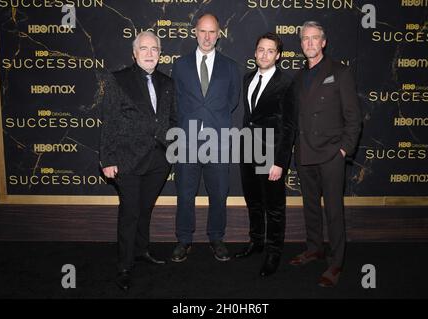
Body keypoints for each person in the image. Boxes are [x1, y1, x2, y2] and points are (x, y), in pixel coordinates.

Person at [282, 21, 362, 287]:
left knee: (334, 211)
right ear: (301, 43)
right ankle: (314, 248)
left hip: (330, 154)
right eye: (305, 39)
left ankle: (336, 263)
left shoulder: (340, 72)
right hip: (304, 153)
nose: (310, 43)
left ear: (323, 42)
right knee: (311, 207)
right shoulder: (298, 77)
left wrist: (343, 150)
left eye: (315, 38)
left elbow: (353, 118)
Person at [99, 31, 176, 291]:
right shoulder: (118, 80)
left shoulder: (167, 82)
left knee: (145, 209)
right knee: (130, 213)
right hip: (127, 160)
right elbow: (109, 121)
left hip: (159, 160)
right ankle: (124, 265)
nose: (149, 53)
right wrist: (108, 158)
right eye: (144, 48)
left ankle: (142, 251)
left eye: (154, 49)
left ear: (160, 53)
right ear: (134, 53)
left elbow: (171, 120)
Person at [171, 13, 241, 262]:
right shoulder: (180, 65)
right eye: (203, 31)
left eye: (212, 32)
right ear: (195, 33)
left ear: (219, 34)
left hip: (218, 140)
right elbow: (176, 100)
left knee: (219, 193)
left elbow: (232, 100)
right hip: (187, 140)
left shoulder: (230, 66)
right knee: (185, 193)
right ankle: (183, 239)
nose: (207, 37)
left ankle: (216, 238)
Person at [234, 32, 292, 277]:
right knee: (253, 202)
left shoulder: (286, 83)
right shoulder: (248, 78)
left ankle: (273, 252)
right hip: (248, 148)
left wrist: (279, 162)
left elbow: (288, 126)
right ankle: (256, 242)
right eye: (261, 49)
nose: (264, 54)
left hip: (271, 153)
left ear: (278, 56)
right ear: (255, 52)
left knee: (274, 207)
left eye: (270, 51)